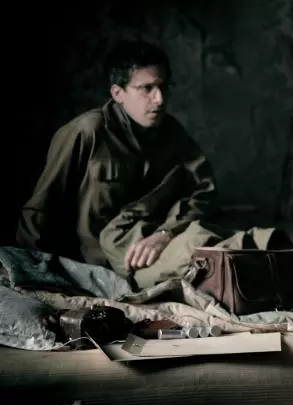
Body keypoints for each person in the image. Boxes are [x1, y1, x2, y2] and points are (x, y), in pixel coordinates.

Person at [16, 39, 219, 278]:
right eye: (147, 88)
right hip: (84, 269)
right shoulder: (87, 132)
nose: (160, 99)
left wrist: (165, 233)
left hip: (143, 265)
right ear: (118, 93)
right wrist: (39, 277)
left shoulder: (173, 134)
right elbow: (39, 212)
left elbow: (204, 193)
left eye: (163, 87)